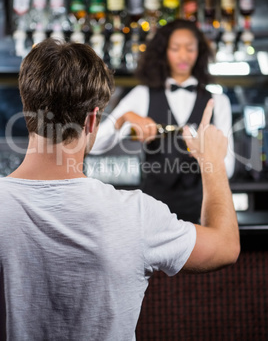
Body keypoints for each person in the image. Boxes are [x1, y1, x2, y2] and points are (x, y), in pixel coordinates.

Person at [0, 38, 240, 341]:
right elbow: (226, 247)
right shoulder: (136, 214)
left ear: (26, 106)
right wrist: (212, 161)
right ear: (92, 120)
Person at [92, 18, 235, 223]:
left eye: (190, 49)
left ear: (200, 53)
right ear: (163, 52)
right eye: (175, 48)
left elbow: (228, 168)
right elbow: (94, 144)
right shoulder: (142, 95)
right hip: (153, 212)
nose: (183, 55)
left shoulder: (218, 102)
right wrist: (125, 118)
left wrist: (206, 154)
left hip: (202, 210)